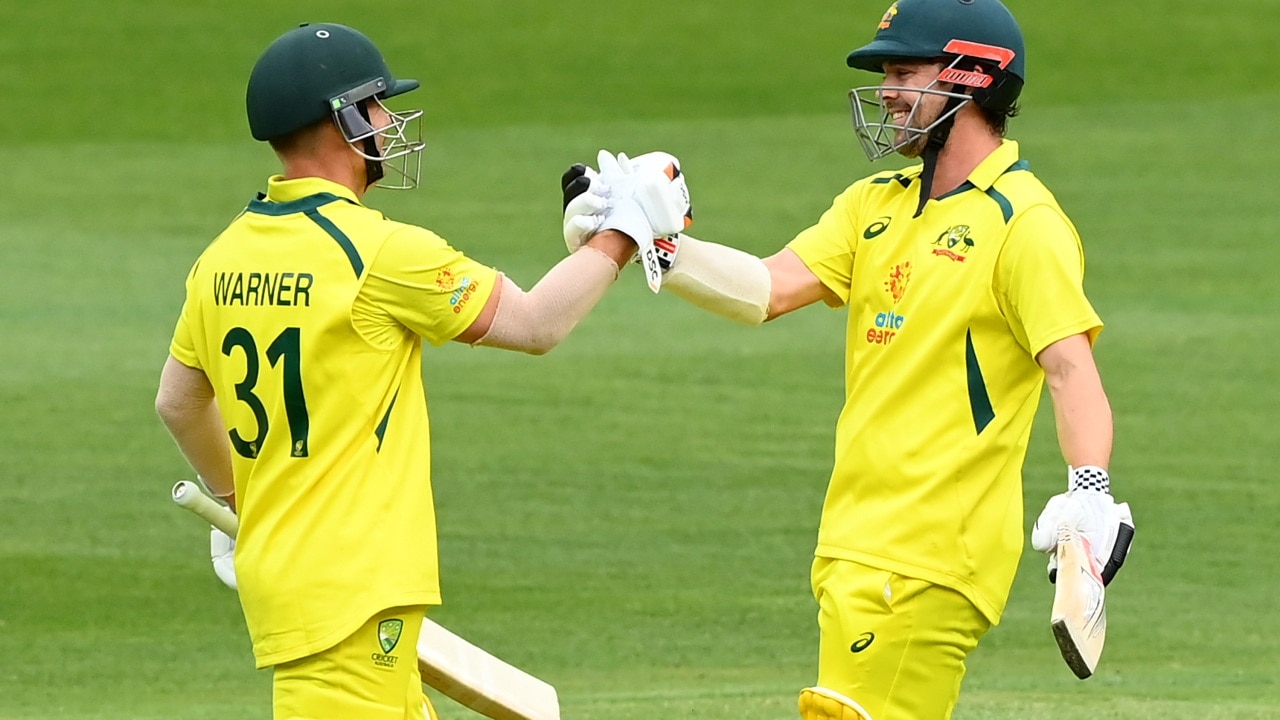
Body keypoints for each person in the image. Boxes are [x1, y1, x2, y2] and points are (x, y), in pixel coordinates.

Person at [563, 0, 1135, 717]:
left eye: (905, 70)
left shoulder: (1023, 222)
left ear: (975, 77)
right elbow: (767, 289)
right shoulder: (874, 204)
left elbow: (1069, 367)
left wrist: (1089, 490)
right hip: (852, 541)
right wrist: (649, 240)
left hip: (932, 551)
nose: (889, 90)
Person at [153, 22, 665, 720]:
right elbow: (537, 324)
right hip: (352, 595)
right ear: (342, 120)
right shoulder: (376, 251)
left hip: (302, 587)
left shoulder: (223, 257)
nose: (389, 122)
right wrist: (624, 234)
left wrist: (238, 497)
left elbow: (179, 402)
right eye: (377, 106)